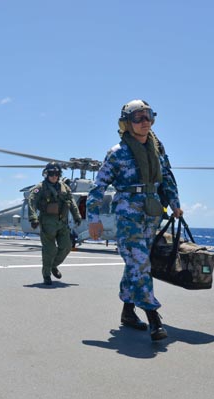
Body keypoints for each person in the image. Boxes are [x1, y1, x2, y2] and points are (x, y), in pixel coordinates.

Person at [86, 99, 183, 341]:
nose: (144, 122)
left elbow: (167, 178)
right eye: (138, 118)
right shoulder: (117, 153)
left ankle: (128, 312)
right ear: (127, 123)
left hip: (151, 214)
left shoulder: (158, 150)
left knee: (136, 263)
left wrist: (175, 204)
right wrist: (93, 219)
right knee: (140, 263)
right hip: (128, 213)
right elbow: (98, 187)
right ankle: (153, 317)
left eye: (148, 116)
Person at [27, 162, 83, 285]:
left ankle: (53, 266)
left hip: (62, 222)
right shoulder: (40, 187)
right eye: (51, 173)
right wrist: (33, 218)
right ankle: (46, 275)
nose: (54, 176)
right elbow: (31, 201)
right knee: (50, 250)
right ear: (46, 174)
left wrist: (77, 216)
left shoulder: (65, 187)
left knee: (67, 246)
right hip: (47, 222)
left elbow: (72, 203)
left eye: (56, 173)